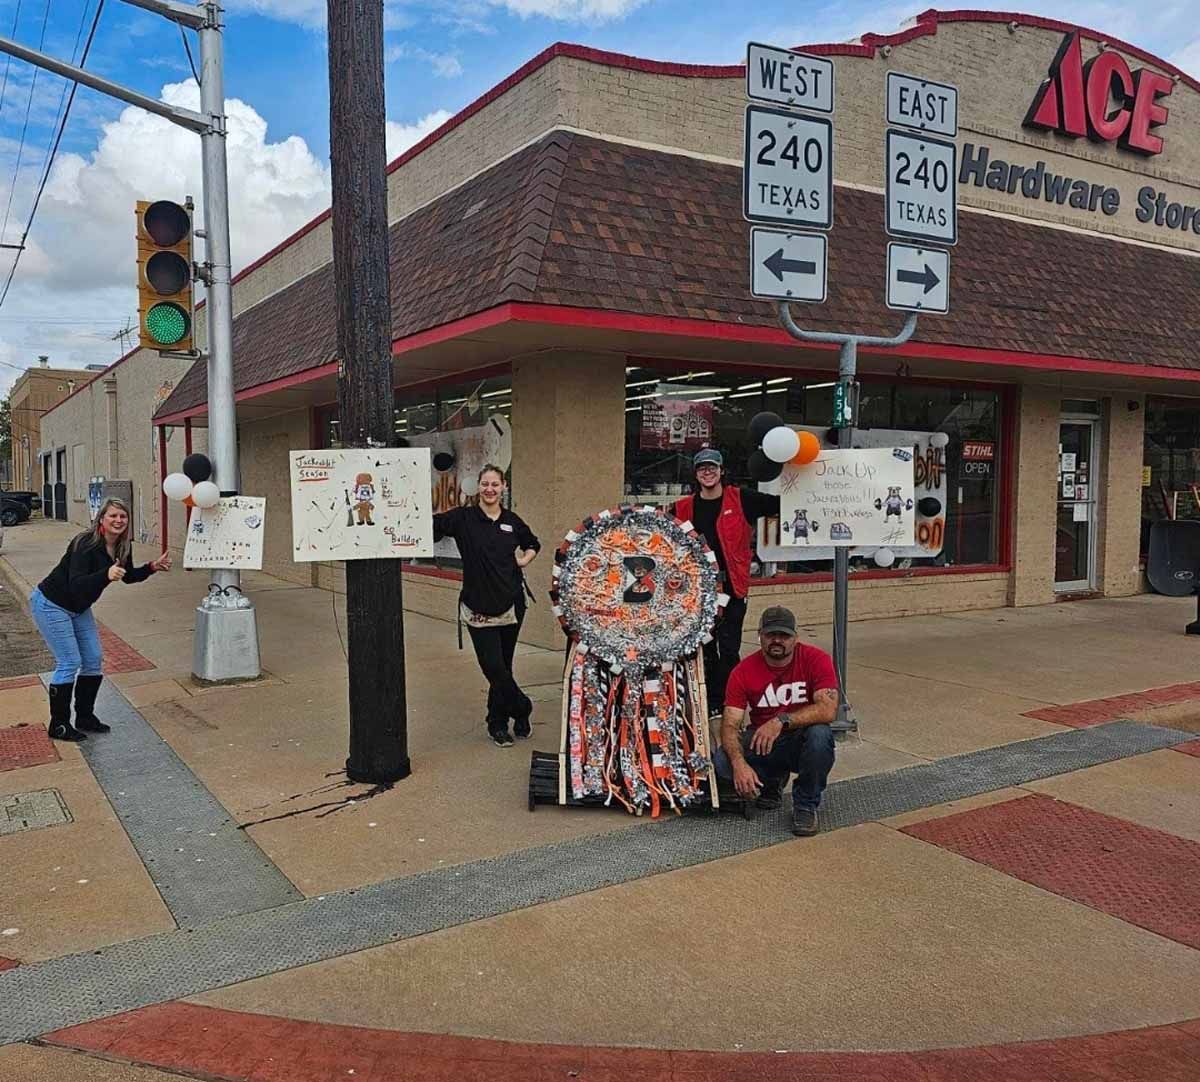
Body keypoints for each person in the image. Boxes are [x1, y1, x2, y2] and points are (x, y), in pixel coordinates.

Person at [30, 498, 172, 742]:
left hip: (79, 606)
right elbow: (76, 584)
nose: (118, 521)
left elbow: (128, 577)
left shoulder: (122, 546)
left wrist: (151, 567)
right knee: (69, 661)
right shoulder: (85, 544)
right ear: (102, 520)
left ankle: (84, 717)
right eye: (113, 516)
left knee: (93, 659)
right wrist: (105, 574)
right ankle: (59, 724)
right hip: (52, 604)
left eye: (123, 517)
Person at [433, 464, 540, 747]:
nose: (490, 489)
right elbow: (432, 527)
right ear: (477, 487)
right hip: (477, 606)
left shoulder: (512, 521)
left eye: (495, 484)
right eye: (485, 484)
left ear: (504, 487)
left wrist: (525, 559)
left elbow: (533, 543)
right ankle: (522, 708)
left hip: (511, 604)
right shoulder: (463, 518)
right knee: (493, 667)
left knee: (504, 667)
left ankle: (497, 724)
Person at [672, 448, 779, 716]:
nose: (707, 472)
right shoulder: (683, 507)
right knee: (704, 649)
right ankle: (710, 701)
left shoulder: (742, 499)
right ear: (696, 474)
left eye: (712, 468)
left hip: (732, 588)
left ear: (721, 471)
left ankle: (732, 701)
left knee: (729, 648)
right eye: (701, 468)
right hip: (698, 592)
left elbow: (781, 504)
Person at [715, 605, 837, 836]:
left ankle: (806, 805)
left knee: (820, 735)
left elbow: (828, 709)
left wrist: (781, 720)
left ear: (795, 637)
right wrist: (740, 765)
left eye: (784, 635)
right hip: (763, 742)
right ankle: (770, 782)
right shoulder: (743, 671)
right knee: (723, 760)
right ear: (760, 635)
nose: (777, 641)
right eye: (771, 635)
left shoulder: (816, 659)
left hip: (800, 739)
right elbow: (730, 724)